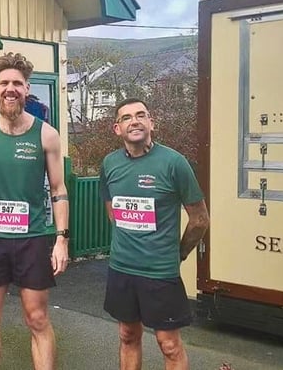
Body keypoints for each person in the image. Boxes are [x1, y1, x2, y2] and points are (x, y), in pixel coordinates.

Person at [0, 52, 69, 370]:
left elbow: (59, 189)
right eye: (4, 83)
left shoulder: (47, 135)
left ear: (27, 88)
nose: (11, 89)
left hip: (32, 239)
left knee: (37, 318)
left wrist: (61, 239)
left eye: (17, 84)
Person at [99, 97, 210, 370]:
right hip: (122, 268)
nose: (134, 121)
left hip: (160, 272)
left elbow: (200, 219)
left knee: (169, 345)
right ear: (117, 129)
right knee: (127, 335)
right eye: (126, 117)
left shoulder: (174, 163)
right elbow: (113, 211)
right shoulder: (109, 164)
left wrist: (179, 253)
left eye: (140, 115)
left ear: (152, 123)